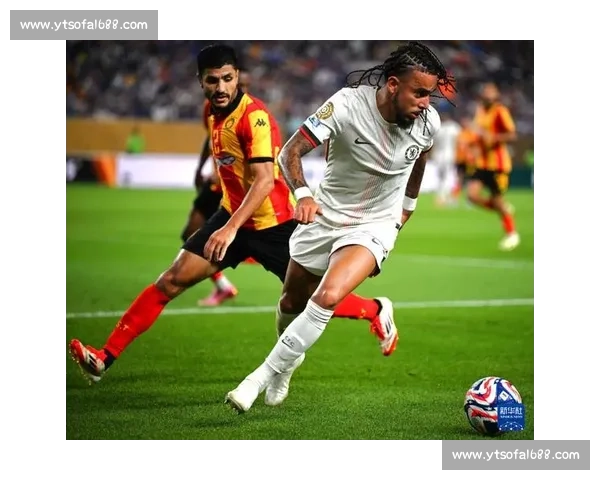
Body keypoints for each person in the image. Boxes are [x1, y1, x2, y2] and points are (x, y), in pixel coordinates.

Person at [69, 44, 398, 386]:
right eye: (213, 80)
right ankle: (104, 358)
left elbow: (264, 181)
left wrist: (229, 229)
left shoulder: (254, 117)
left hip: (274, 225)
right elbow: (216, 146)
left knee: (312, 298)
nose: (221, 87)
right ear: (201, 81)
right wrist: (217, 196)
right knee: (170, 280)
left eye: (228, 78)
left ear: (238, 76)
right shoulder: (211, 112)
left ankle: (375, 309)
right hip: (233, 217)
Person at [225, 41, 453, 413]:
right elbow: (290, 151)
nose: (426, 103)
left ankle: (257, 379)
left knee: (328, 296)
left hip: (375, 224)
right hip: (325, 216)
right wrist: (302, 195)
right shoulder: (346, 105)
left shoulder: (429, 123)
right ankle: (287, 366)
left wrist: (407, 209)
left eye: (430, 94)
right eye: (419, 93)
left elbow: (420, 160)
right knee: (290, 303)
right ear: (393, 84)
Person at [180, 69, 252, 307]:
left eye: (245, 85)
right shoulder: (210, 107)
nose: (241, 89)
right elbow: (210, 137)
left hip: (234, 188)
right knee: (192, 233)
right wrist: (200, 167)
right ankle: (223, 286)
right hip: (215, 184)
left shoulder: (252, 114)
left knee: (235, 241)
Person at [466, 82, 519, 251]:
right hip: (482, 163)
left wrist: (493, 138)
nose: (488, 96)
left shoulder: (500, 111)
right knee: (472, 196)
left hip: (498, 165)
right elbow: (478, 134)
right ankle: (503, 208)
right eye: (486, 92)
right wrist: (473, 145)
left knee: (497, 200)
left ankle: (512, 234)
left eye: (491, 93)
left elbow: (512, 135)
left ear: (496, 96)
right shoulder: (480, 110)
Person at [430, 111, 461, 207]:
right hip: (450, 155)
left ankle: (441, 197)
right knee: (449, 176)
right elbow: (459, 141)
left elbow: (433, 143)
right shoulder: (454, 127)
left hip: (438, 156)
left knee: (441, 177)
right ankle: (448, 197)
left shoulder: (438, 128)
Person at [451, 115, 478, 202]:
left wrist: (474, 157)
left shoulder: (471, 134)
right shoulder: (460, 134)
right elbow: (456, 147)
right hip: (460, 160)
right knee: (459, 179)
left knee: (470, 179)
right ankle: (455, 198)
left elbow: (475, 147)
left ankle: (470, 198)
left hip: (469, 161)